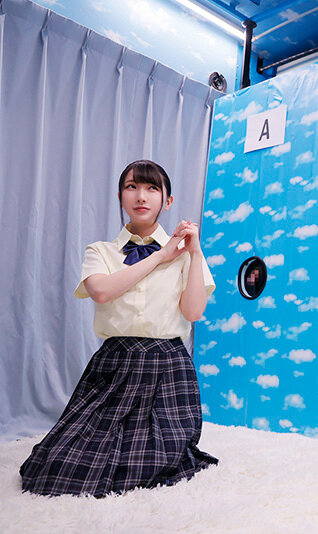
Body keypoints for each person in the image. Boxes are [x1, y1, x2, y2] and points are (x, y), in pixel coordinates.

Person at [19, 160, 218, 497]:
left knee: (148, 460)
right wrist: (160, 256)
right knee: (59, 465)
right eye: (131, 187)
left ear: (167, 201)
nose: (141, 196)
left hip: (167, 367)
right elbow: (101, 291)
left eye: (152, 188)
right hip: (116, 363)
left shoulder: (186, 254)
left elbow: (193, 311)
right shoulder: (101, 251)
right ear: (120, 196)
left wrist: (194, 253)